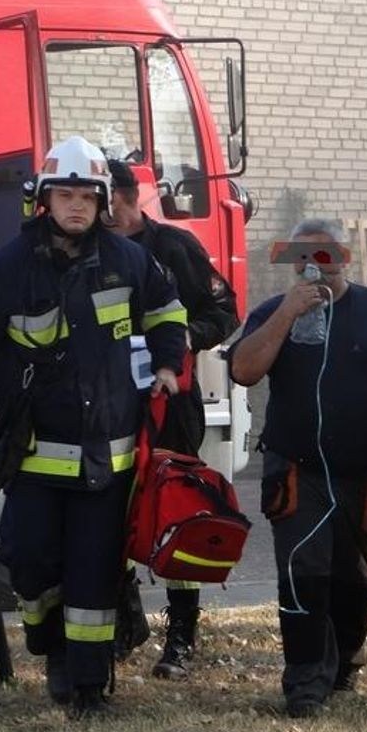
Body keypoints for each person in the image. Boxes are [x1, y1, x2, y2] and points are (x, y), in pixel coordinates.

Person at [0, 136, 186, 718]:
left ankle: (85, 686)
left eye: (87, 196)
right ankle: (46, 639)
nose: (76, 207)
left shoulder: (130, 262)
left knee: (93, 577)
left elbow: (167, 312)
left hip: (107, 467)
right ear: (44, 199)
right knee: (30, 563)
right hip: (33, 459)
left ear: (104, 200)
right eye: (65, 195)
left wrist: (167, 364)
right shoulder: (7, 271)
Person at [228, 218, 367, 718]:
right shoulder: (275, 311)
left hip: (363, 474)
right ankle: (304, 683)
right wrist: (287, 316)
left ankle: (343, 668)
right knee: (304, 572)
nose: (314, 264)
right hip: (296, 471)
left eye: (326, 254)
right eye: (304, 255)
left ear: (345, 258)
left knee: (352, 581)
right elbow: (243, 369)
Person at [105, 159, 240, 681]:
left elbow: (224, 310)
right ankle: (125, 620)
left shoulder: (174, 248)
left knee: (174, 508)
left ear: (129, 196)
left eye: (110, 200)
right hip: (109, 403)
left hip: (170, 403)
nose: (103, 211)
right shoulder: (90, 253)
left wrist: (186, 337)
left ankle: (181, 636)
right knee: (111, 510)